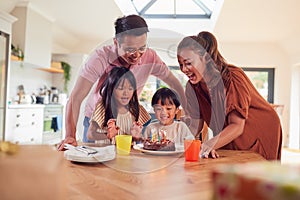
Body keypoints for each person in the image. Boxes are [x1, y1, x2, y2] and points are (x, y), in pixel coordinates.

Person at [57, 15, 186, 150]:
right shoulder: (100, 58)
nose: (136, 54)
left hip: (126, 120)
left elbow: (174, 83)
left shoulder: (150, 57)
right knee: (93, 164)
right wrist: (70, 135)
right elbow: (76, 98)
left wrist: (187, 111)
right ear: (116, 43)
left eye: (142, 48)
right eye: (130, 49)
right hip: (98, 119)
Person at [177, 31, 282, 160]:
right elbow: (196, 124)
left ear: (205, 58)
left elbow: (237, 126)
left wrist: (209, 144)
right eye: (180, 64)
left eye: (188, 63)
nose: (183, 69)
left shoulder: (232, 77)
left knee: (254, 174)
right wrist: (178, 143)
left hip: (258, 129)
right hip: (229, 133)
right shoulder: (192, 87)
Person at [87, 67, 151, 142]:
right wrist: (108, 135)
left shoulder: (136, 109)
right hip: (106, 152)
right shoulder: (103, 107)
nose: (126, 93)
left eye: (130, 89)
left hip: (128, 153)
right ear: (111, 89)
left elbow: (141, 139)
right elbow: (90, 134)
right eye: (121, 88)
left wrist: (137, 137)